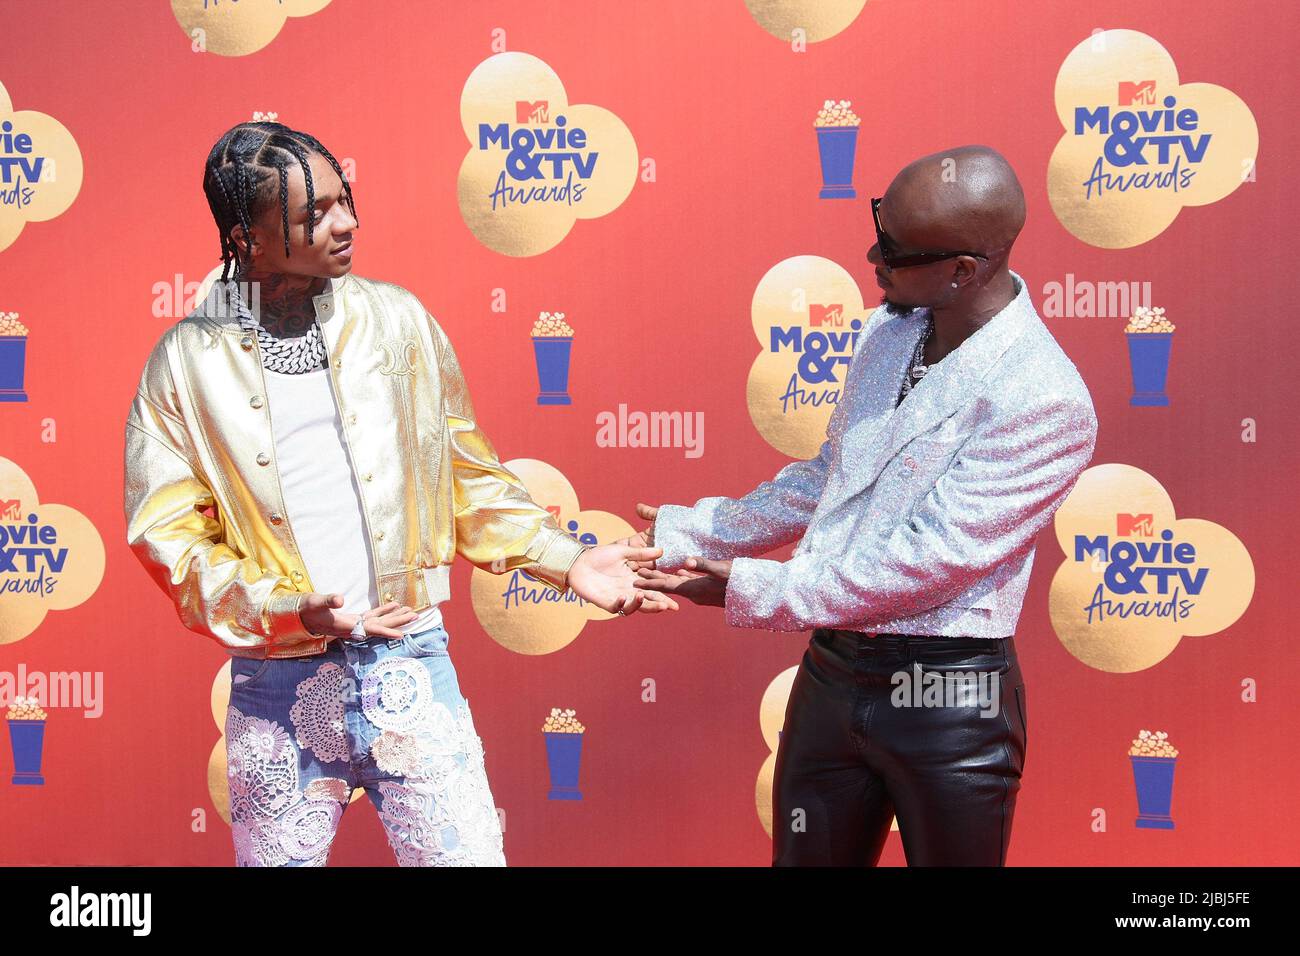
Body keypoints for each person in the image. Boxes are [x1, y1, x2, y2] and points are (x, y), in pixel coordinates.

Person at [124, 121, 673, 867]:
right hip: (275, 694)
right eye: (313, 213)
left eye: (345, 200)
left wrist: (564, 562)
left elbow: (464, 474)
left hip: (410, 667)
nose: (346, 222)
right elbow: (171, 543)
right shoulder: (182, 366)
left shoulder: (398, 324)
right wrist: (285, 612)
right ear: (247, 235)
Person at [629, 145, 1098, 866]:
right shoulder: (889, 334)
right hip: (833, 673)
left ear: (962, 270)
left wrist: (753, 587)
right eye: (879, 226)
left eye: (895, 249)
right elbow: (832, 476)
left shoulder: (1047, 399)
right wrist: (696, 529)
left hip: (947, 699)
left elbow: (930, 562)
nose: (872, 255)